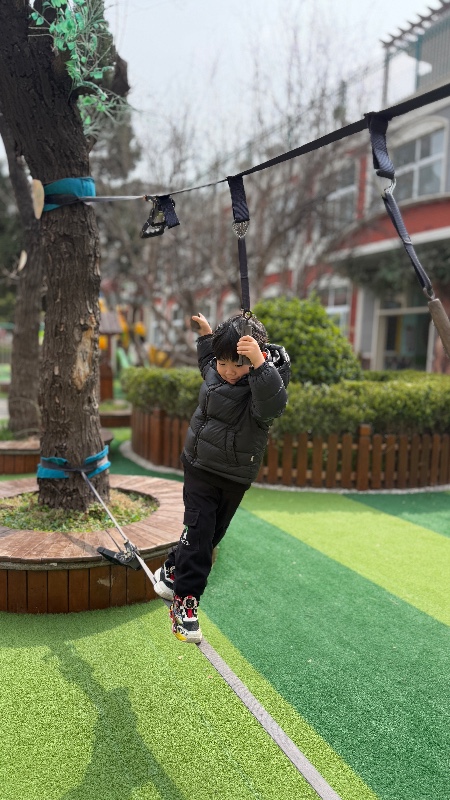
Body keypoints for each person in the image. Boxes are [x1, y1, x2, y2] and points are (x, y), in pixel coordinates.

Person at [154, 311, 290, 642]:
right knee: (199, 534)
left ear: (255, 359)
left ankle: (171, 568)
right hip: (199, 466)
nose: (228, 371)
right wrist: (205, 335)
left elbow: (273, 405)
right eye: (223, 362)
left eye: (237, 365)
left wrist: (260, 365)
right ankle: (185, 605)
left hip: (235, 476)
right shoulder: (215, 371)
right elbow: (206, 360)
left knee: (211, 535)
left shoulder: (260, 389)